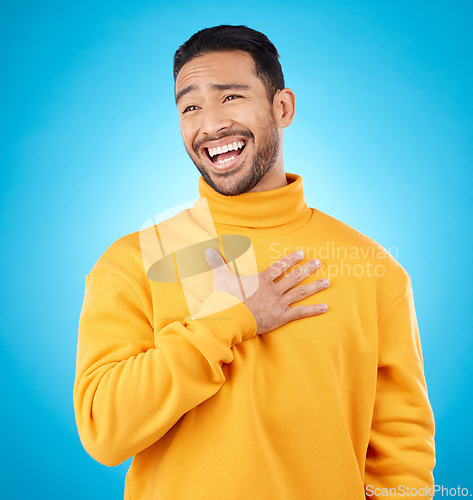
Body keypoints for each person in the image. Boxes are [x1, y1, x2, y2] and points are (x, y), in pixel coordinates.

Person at [74, 25, 435, 499]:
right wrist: (231, 319)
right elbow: (105, 430)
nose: (210, 124)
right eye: (190, 106)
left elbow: (402, 449)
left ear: (281, 108)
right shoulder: (137, 261)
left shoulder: (371, 268)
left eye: (230, 97)